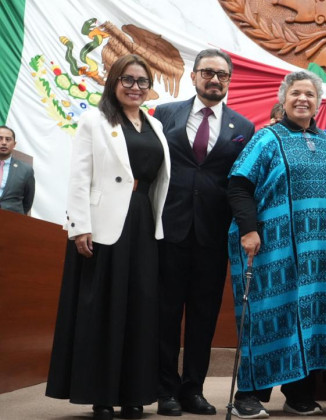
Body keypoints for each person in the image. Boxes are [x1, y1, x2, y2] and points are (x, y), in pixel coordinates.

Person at [46, 54, 170, 420]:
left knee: (140, 308)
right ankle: (101, 395)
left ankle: (134, 395)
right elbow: (78, 177)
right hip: (101, 226)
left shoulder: (155, 125)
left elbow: (159, 179)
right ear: (114, 82)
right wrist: (79, 226)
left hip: (143, 222)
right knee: (102, 309)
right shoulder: (94, 120)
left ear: (150, 89)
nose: (135, 87)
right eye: (128, 80)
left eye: (142, 81)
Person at [226, 70, 326, 419]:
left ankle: (298, 394)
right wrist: (249, 230)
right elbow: (238, 185)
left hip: (319, 254)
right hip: (269, 249)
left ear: (319, 102)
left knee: (309, 318)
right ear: (283, 98)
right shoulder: (266, 139)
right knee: (266, 317)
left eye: (309, 94)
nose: (302, 99)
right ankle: (250, 394)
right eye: (296, 93)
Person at [154, 49, 255, 416]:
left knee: (203, 316)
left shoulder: (243, 128)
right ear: (194, 76)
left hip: (213, 235)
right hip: (168, 228)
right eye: (208, 73)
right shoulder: (165, 114)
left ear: (229, 81)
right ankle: (164, 389)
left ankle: (192, 389)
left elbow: (240, 182)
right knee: (165, 314)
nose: (215, 80)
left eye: (222, 75)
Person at [0, 125, 35, 215]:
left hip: (12, 221)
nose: (3, 142)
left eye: (8, 139)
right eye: (0, 138)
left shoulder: (26, 170)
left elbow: (27, 202)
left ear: (14, 144)